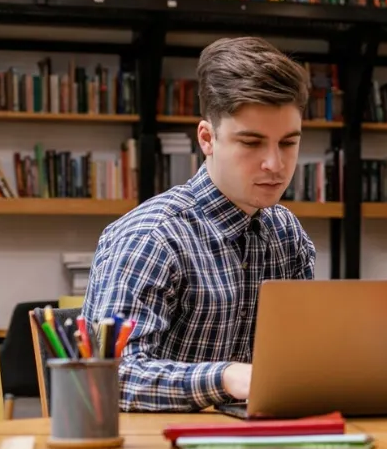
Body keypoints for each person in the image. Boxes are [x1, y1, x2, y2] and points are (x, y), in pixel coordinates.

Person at [82, 36, 316, 412]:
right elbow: (110, 377)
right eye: (252, 143)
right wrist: (226, 377)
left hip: (259, 446)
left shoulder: (287, 235)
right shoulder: (152, 238)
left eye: (288, 143)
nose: (275, 164)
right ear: (207, 138)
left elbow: (295, 360)